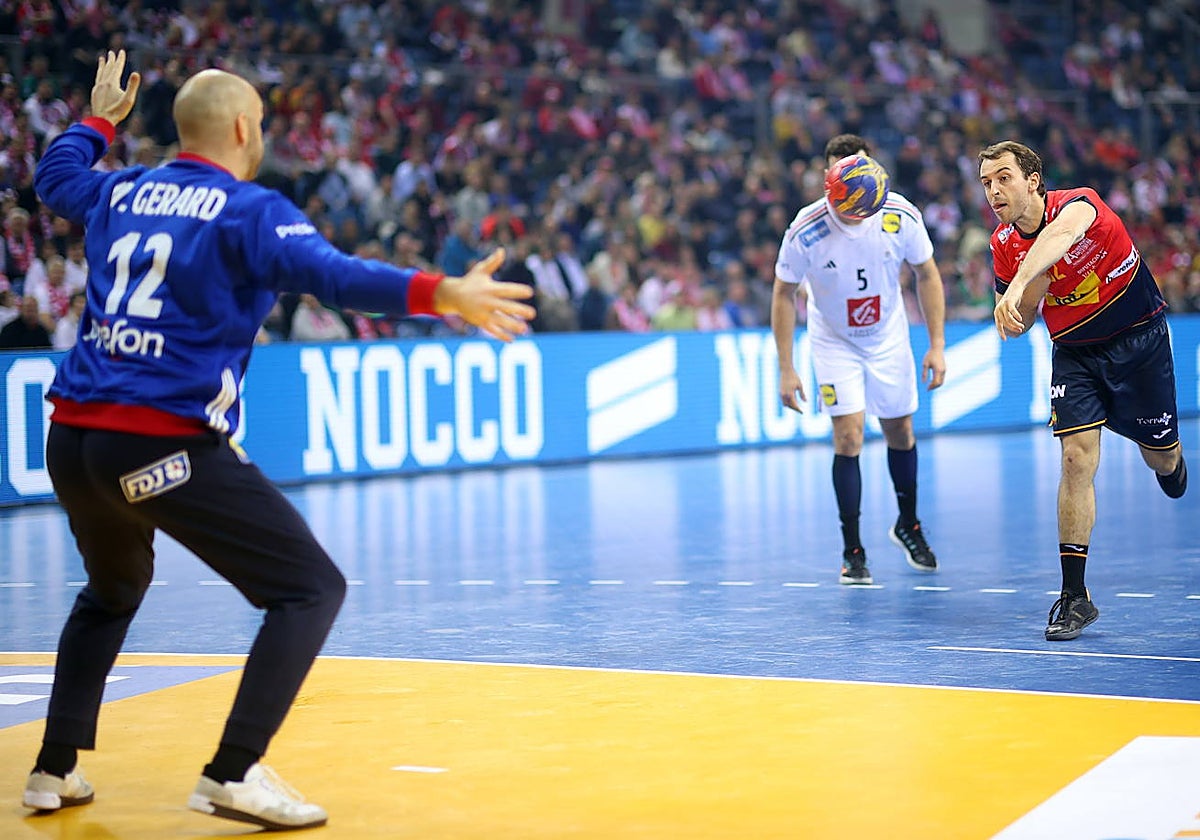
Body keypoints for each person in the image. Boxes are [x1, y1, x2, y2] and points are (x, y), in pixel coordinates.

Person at [22, 52, 533, 829]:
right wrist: (443, 293)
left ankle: (51, 772)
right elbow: (338, 277)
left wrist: (97, 121)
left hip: (73, 439)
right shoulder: (249, 209)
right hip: (159, 443)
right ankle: (232, 774)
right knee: (309, 590)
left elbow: (54, 180)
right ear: (239, 128)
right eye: (258, 122)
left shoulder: (119, 188)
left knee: (111, 591)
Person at [985, 140, 1186, 641]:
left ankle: (1171, 459)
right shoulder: (1001, 246)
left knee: (1161, 461)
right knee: (1076, 458)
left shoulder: (1080, 204)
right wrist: (1023, 295)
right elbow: (1019, 323)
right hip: (1075, 353)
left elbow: (1060, 237)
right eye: (986, 183)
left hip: (1140, 342)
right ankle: (1075, 596)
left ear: (1033, 179)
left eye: (1004, 177)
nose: (994, 191)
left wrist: (1017, 283)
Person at [771, 133, 947, 585]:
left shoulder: (899, 214)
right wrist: (786, 367)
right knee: (847, 437)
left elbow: (926, 273)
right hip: (834, 341)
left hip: (887, 336)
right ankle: (852, 548)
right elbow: (783, 292)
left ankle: (907, 525)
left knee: (900, 430)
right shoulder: (807, 227)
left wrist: (937, 343)